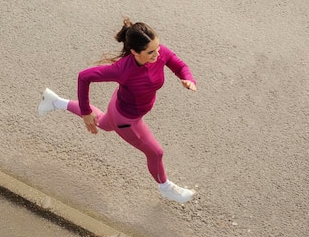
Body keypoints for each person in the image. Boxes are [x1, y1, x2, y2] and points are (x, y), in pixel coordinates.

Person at [38, 18, 197, 203]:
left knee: (104, 123)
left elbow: (179, 65)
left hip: (118, 106)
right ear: (134, 52)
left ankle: (54, 101)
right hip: (127, 120)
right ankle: (166, 188)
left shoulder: (159, 53)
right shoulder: (122, 70)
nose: (158, 54)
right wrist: (85, 110)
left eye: (158, 47)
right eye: (151, 52)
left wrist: (188, 79)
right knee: (156, 152)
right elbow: (84, 77)